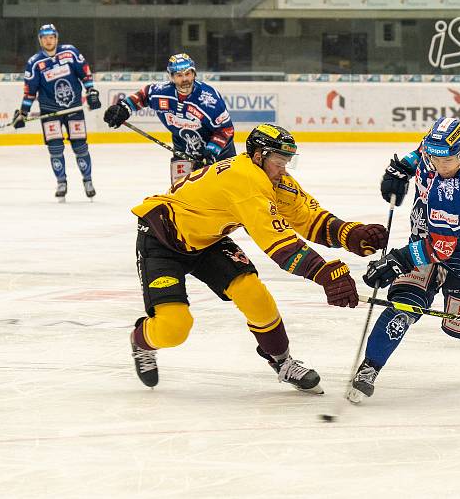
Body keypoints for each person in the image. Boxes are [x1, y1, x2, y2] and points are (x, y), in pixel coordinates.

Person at [128, 123, 389, 394]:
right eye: (278, 162)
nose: (283, 169)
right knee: (175, 328)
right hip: (161, 239)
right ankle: (141, 341)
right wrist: (322, 272)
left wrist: (349, 234)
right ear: (258, 156)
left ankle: (282, 361)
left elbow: (308, 217)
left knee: (254, 295)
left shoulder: (272, 179)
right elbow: (279, 244)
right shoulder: (247, 181)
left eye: (287, 162)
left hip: (208, 241)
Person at [347, 117, 460, 403]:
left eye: (449, 161)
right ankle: (370, 367)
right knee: (404, 305)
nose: (441, 166)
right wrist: (403, 167)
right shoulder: (438, 148)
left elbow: (441, 249)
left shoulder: (459, 190)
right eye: (436, 158)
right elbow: (420, 152)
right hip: (427, 240)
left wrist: (398, 260)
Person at [103, 53, 235, 183]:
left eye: (188, 74)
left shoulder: (209, 100)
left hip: (220, 153)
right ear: (171, 77)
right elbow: (144, 96)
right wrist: (123, 109)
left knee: (226, 193)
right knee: (181, 193)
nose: (184, 79)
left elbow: (226, 129)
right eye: (179, 75)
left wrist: (210, 154)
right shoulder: (161, 93)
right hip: (183, 149)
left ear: (194, 74)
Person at [12, 24, 101, 201]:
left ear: (56, 38)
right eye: (44, 37)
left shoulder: (70, 53)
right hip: (49, 111)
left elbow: (85, 74)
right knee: (55, 149)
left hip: (73, 108)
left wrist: (91, 91)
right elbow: (30, 91)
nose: (48, 40)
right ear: (40, 40)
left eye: (51, 37)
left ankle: (88, 180)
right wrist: (23, 112)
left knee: (80, 146)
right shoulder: (35, 63)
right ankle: (61, 182)